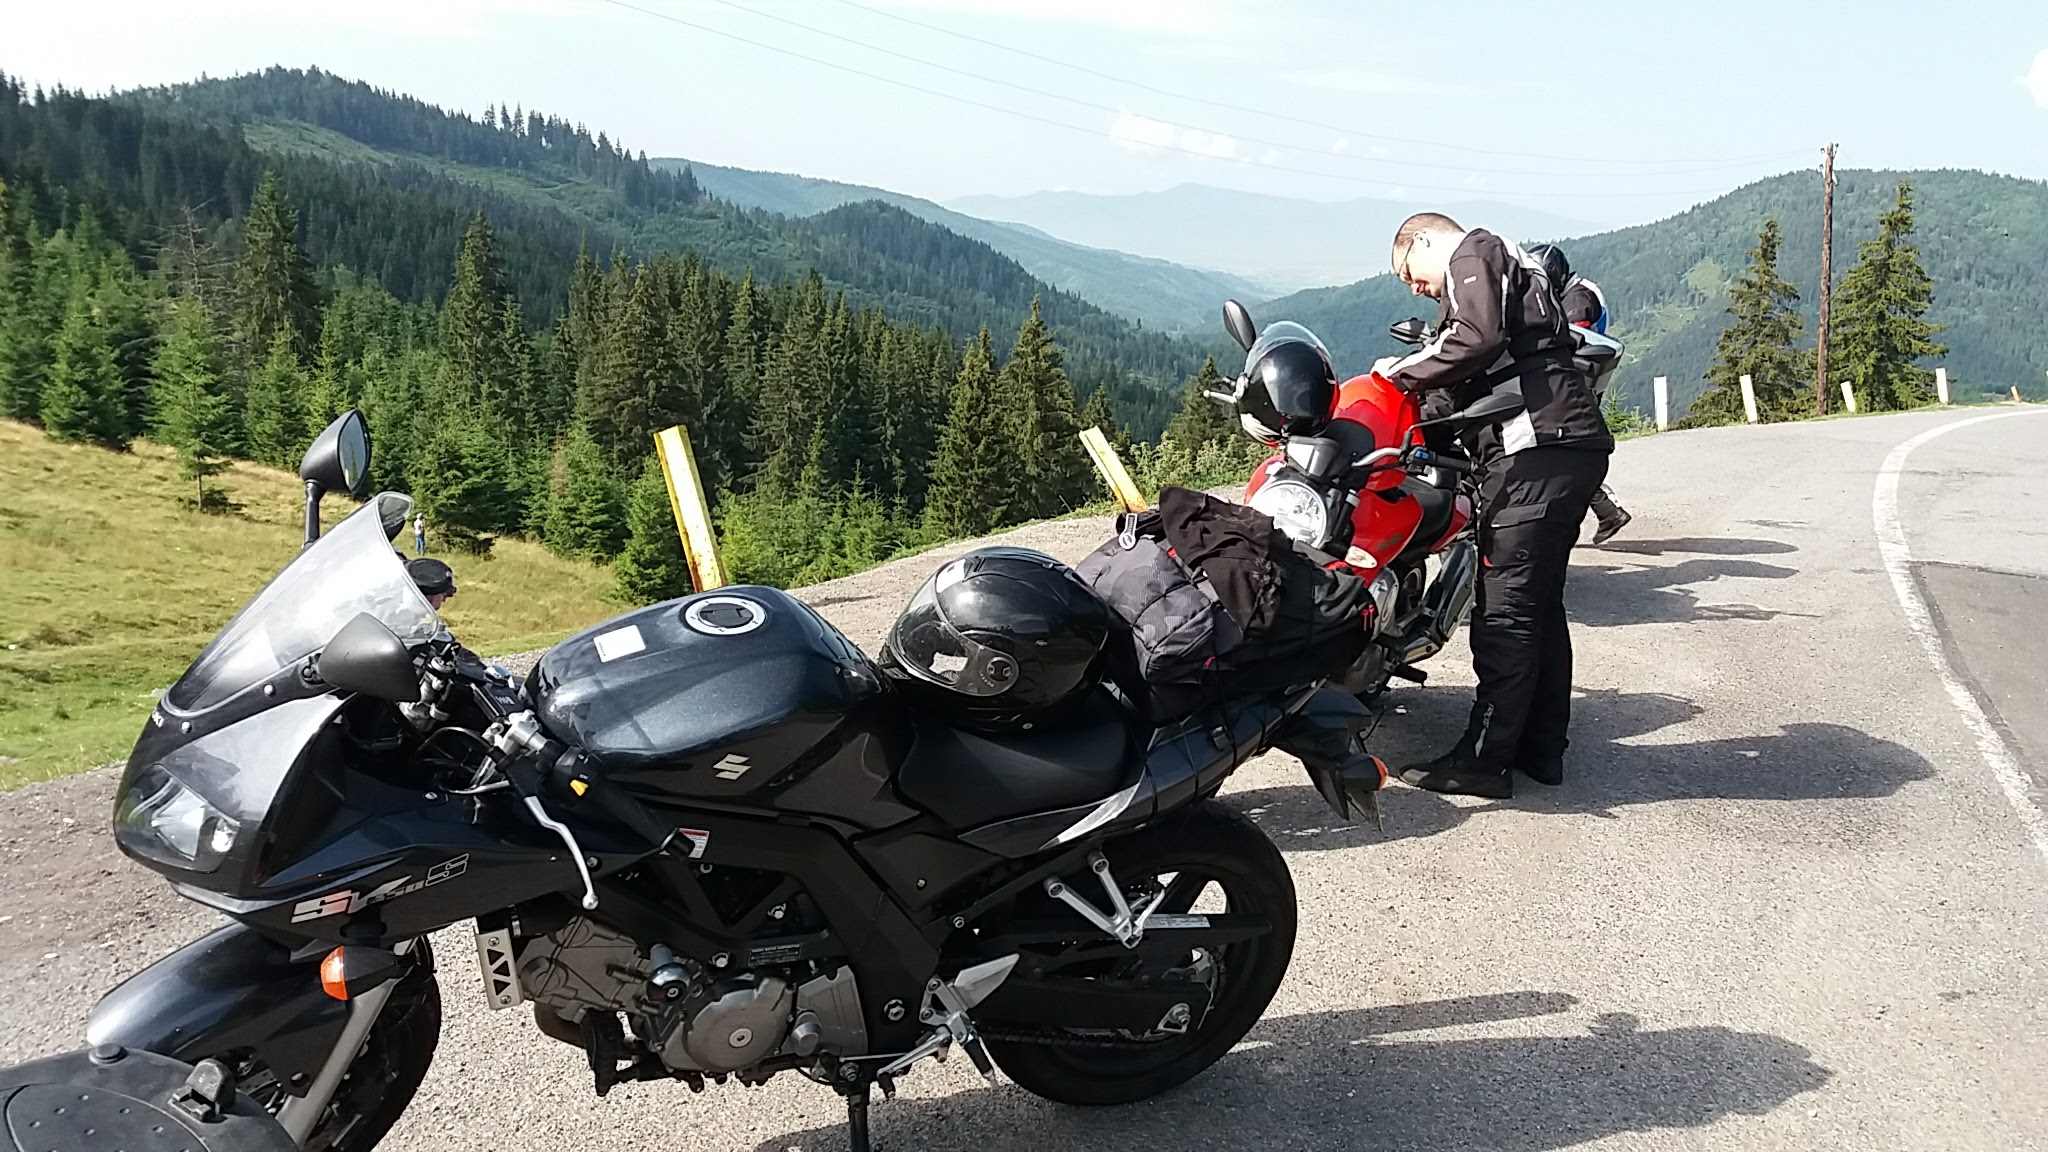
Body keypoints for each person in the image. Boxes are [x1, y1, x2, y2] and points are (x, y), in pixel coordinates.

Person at [1377, 213, 1613, 798]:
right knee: (1538, 608)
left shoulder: (1473, 251)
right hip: (1568, 449)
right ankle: (1541, 750)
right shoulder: (1505, 266)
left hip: (1536, 452)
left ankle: (1483, 762)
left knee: (1503, 613)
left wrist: (1396, 375)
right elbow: (1467, 378)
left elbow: (1475, 340)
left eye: (1409, 272)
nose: (1415, 288)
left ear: (1424, 240)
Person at [1528, 243, 1632, 545]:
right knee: (1564, 455)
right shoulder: (1577, 290)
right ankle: (1607, 511)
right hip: (1582, 380)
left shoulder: (1578, 300)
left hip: (1577, 383)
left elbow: (1570, 341)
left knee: (1562, 454)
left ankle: (1604, 512)